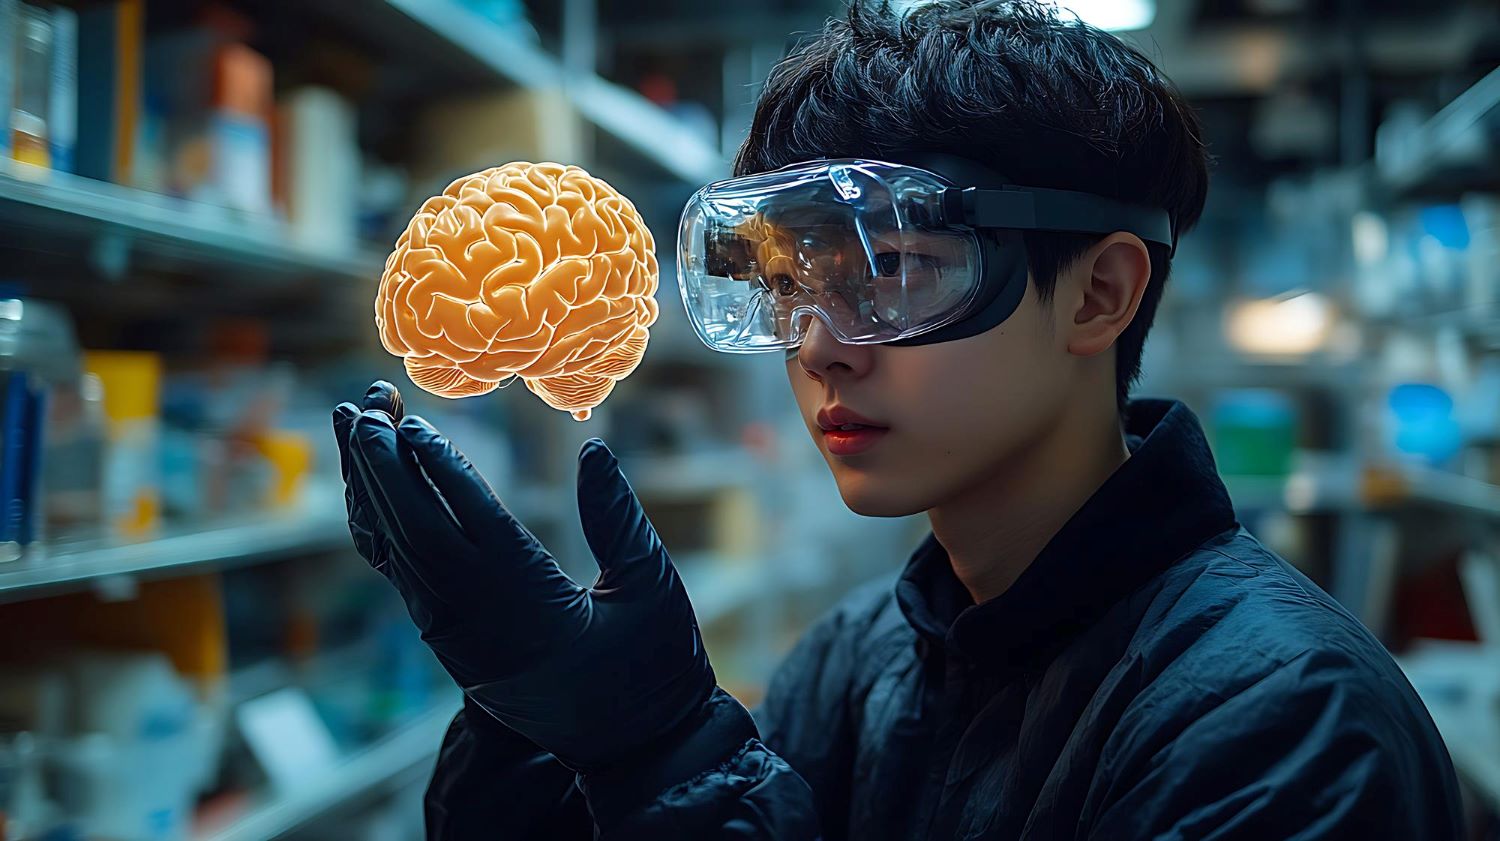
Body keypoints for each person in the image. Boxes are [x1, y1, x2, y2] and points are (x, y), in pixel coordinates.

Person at [332, 1, 1465, 838]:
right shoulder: (859, 659)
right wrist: (538, 728)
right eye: (787, 287)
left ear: (1101, 293)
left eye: (899, 271)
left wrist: (664, 749)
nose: (822, 341)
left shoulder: (1280, 725)